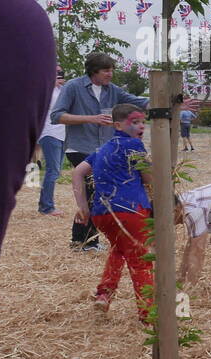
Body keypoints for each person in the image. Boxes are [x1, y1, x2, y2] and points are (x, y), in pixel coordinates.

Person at [0, 0, 55, 349]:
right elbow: (58, 113)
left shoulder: (13, 17)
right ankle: (49, 207)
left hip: (40, 135)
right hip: (58, 136)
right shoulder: (21, 15)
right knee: (51, 174)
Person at [50, 53, 149, 251]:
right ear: (93, 71)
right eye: (106, 70)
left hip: (102, 149)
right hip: (78, 147)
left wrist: (172, 104)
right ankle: (85, 242)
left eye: (112, 70)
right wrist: (91, 118)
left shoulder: (112, 90)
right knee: (94, 192)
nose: (110, 74)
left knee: (96, 193)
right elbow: (57, 116)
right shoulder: (73, 87)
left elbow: (138, 101)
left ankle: (82, 241)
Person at [71, 103, 154, 321]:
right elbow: (149, 178)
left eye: (143, 121)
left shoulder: (102, 149)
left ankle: (104, 295)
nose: (140, 126)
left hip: (102, 213)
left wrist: (83, 206)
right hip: (130, 211)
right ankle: (148, 313)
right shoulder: (134, 146)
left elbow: (78, 172)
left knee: (119, 250)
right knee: (141, 258)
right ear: (117, 125)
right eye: (134, 122)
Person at [37, 72, 67, 216]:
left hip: (62, 134)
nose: (60, 75)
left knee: (55, 171)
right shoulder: (44, 89)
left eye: (61, 73)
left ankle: (45, 204)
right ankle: (46, 207)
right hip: (49, 133)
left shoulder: (62, 90)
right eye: (56, 73)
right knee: (52, 170)